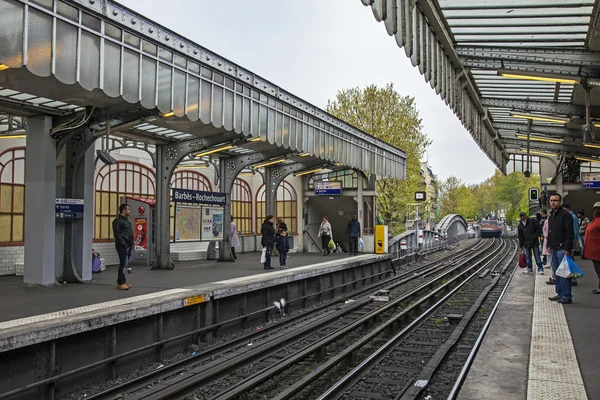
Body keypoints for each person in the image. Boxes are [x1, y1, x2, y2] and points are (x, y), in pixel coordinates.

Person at [547, 194, 575, 304]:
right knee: (556, 273)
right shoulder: (552, 216)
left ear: (560, 202)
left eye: (555, 200)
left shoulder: (565, 215)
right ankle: (559, 293)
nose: (553, 202)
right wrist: (548, 245)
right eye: (551, 200)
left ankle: (567, 296)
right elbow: (551, 231)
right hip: (554, 248)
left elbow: (570, 233)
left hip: (562, 248)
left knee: (564, 273)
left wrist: (567, 248)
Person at [112, 204, 134, 290]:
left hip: (128, 244)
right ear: (123, 210)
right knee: (123, 263)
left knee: (124, 263)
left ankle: (122, 281)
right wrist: (123, 243)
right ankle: (121, 283)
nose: (130, 211)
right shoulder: (117, 221)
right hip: (123, 245)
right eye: (128, 209)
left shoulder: (126, 221)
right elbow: (117, 234)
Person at [583, 202, 600, 294]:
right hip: (593, 250)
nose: (596, 211)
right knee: (598, 270)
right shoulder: (594, 221)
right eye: (595, 209)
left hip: (597, 250)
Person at [563, 203, 580, 286]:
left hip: (570, 243)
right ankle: (571, 278)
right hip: (568, 243)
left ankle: (573, 279)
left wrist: (572, 242)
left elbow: (576, 231)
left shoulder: (572, 217)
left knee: (570, 261)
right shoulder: (568, 216)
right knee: (569, 261)